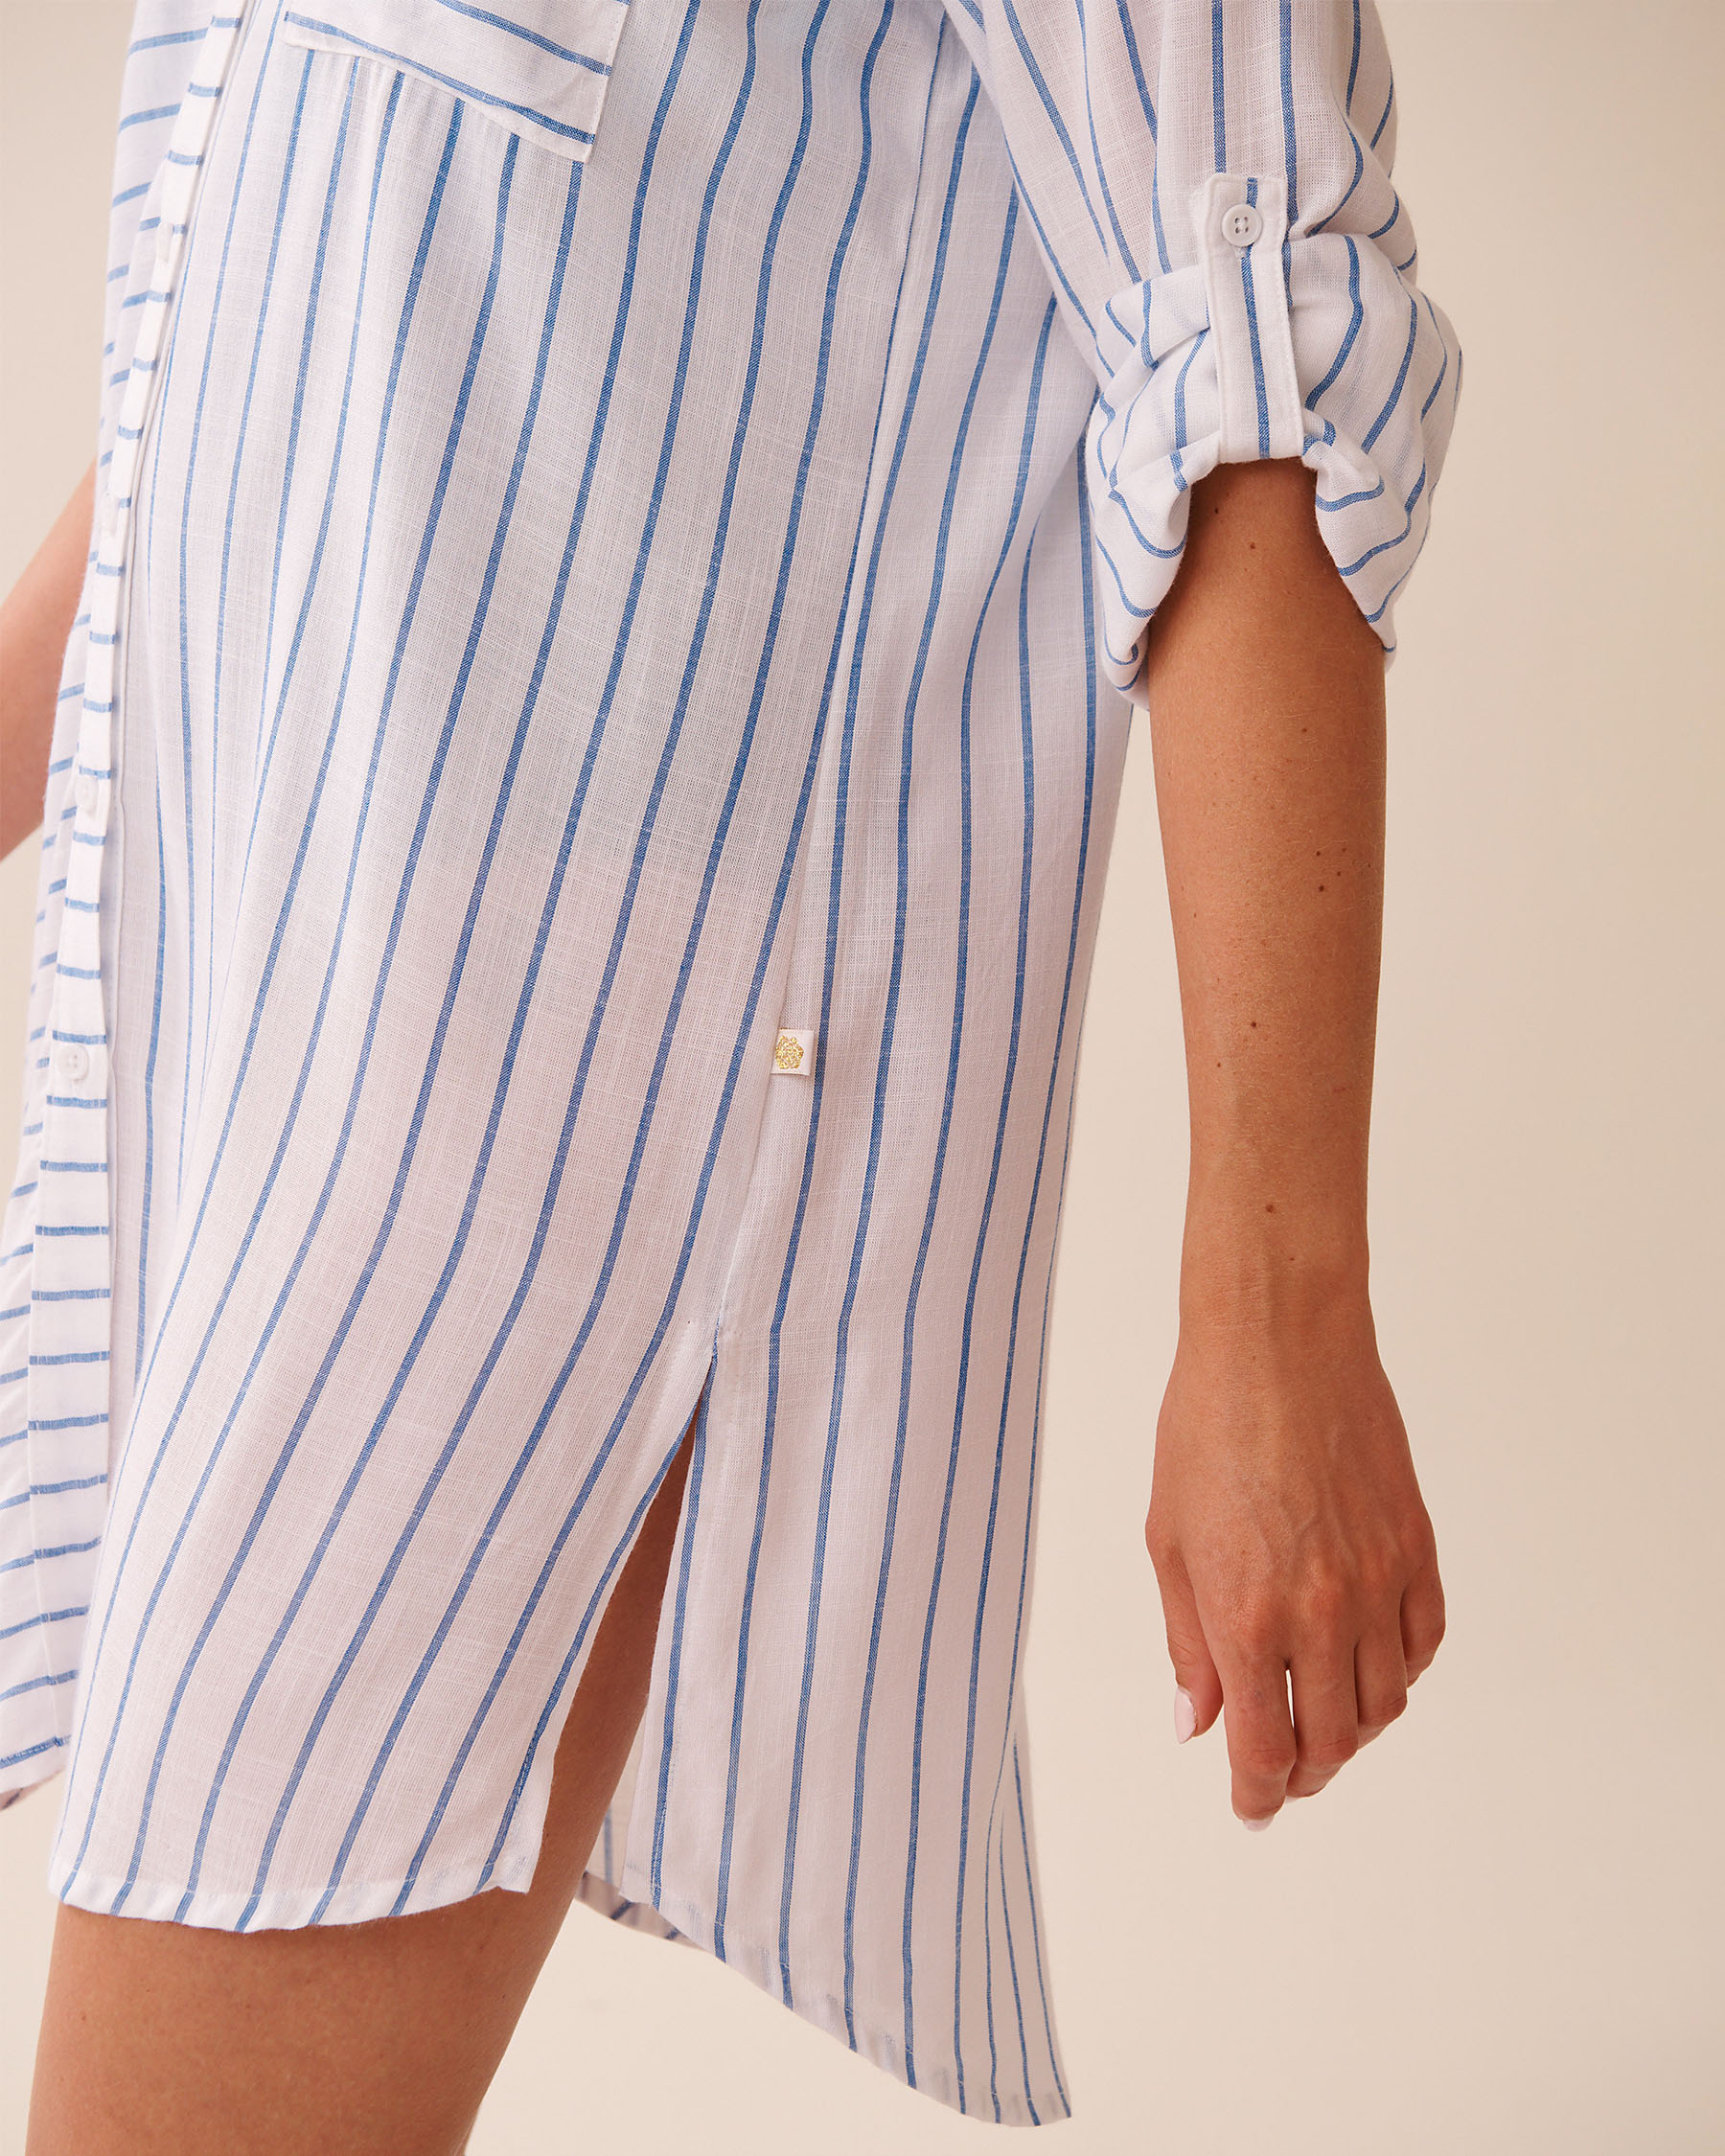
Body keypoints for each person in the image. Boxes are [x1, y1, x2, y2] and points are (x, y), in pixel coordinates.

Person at [1, 1, 1455, 2146]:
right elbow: (309, 261)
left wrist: (1280, 1307)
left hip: (535, 1077)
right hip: (270, 1013)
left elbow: (1247, 326)